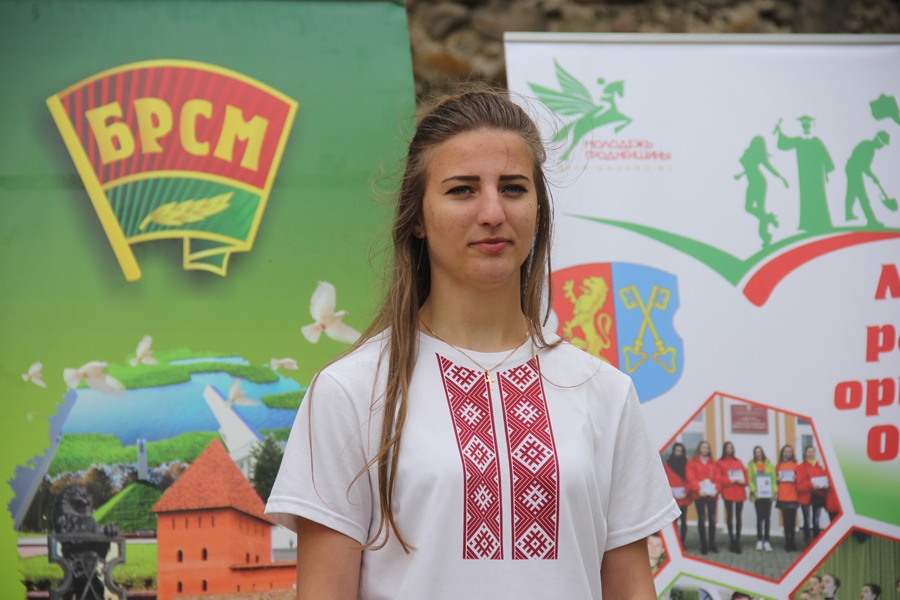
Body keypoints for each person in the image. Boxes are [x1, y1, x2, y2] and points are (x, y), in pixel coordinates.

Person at [263, 90, 680, 600]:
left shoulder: (604, 391)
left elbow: (631, 589)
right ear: (417, 217)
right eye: (462, 190)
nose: (491, 212)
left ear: (538, 209)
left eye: (513, 188)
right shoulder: (350, 391)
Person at [775, 115, 835, 233]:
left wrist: (827, 172)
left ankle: (822, 223)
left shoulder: (816, 141)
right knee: (806, 198)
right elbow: (784, 143)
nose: (806, 126)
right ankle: (807, 223)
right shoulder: (799, 141)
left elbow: (825, 157)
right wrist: (779, 131)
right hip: (804, 175)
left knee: (819, 197)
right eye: (804, 124)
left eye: (807, 124)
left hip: (817, 175)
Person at [735, 135, 788, 247]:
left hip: (759, 183)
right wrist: (740, 175)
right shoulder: (749, 153)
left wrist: (781, 178)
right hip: (752, 183)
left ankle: (765, 236)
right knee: (749, 207)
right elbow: (749, 167)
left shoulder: (757, 155)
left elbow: (769, 168)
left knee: (759, 209)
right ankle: (768, 219)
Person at [845, 131, 890, 228]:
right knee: (862, 196)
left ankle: (848, 214)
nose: (882, 147)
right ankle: (871, 221)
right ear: (878, 141)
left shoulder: (869, 147)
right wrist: (873, 177)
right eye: (883, 144)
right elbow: (864, 167)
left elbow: (865, 166)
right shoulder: (868, 148)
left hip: (853, 170)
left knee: (852, 192)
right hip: (853, 170)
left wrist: (873, 177)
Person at [687, 440, 719, 555]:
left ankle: (712, 544)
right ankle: (703, 545)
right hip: (699, 495)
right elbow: (691, 478)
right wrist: (698, 489)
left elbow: (718, 478)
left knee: (712, 520)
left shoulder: (713, 463)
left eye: (707, 448)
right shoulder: (693, 462)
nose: (705, 449)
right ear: (699, 449)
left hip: (711, 496)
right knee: (701, 519)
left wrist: (716, 489)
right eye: (703, 447)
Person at [717, 441, 748, 554]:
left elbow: (745, 475)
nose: (729, 449)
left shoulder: (738, 461)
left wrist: (743, 481)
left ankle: (737, 541)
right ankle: (732, 541)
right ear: (724, 449)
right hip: (728, 492)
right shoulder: (720, 462)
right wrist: (731, 480)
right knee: (730, 516)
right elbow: (719, 478)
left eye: (731, 447)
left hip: (739, 491)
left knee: (738, 517)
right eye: (727, 447)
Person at [747, 445, 776, 552]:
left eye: (759, 452)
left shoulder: (769, 464)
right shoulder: (751, 464)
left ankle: (767, 541)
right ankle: (759, 540)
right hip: (757, 496)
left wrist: (774, 491)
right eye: (756, 452)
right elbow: (749, 479)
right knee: (759, 518)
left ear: (762, 452)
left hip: (768, 495)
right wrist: (754, 491)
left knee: (767, 518)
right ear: (754, 454)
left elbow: (773, 478)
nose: (758, 454)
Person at [798, 445, 829, 543]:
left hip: (817, 496)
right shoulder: (801, 467)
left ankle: (816, 539)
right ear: (805, 454)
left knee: (816, 519)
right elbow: (800, 483)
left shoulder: (820, 467)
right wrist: (812, 485)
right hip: (806, 496)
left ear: (815, 453)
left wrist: (824, 485)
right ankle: (807, 538)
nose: (811, 454)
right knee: (807, 519)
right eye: (809, 452)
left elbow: (824, 480)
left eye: (813, 451)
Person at [664, 442, 691, 544]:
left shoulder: (686, 464)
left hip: (683, 497)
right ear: (673, 451)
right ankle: (674, 542)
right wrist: (670, 492)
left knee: (683, 520)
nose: (678, 452)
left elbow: (689, 479)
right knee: (673, 521)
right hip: (672, 497)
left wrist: (686, 492)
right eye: (676, 450)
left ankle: (682, 543)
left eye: (680, 451)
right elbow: (665, 480)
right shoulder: (667, 465)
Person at [775, 444, 800, 551]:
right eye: (786, 451)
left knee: (792, 521)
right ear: (782, 453)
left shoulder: (796, 465)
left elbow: (800, 480)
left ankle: (792, 542)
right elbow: (774, 481)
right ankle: (787, 542)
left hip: (793, 495)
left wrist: (796, 477)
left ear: (792, 453)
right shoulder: (778, 465)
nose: (788, 453)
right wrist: (777, 479)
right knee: (785, 521)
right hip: (782, 495)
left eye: (790, 452)